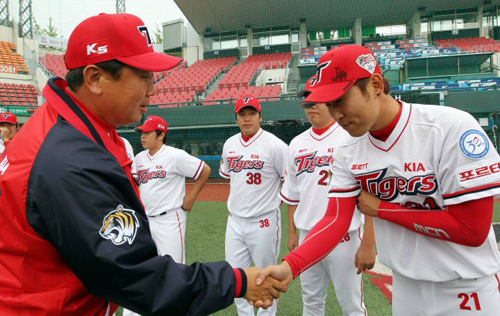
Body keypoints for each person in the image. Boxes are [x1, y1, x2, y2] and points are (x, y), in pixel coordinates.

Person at [0, 13, 286, 315]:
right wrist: (238, 281)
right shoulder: (68, 157)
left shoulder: (68, 129)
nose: (153, 89)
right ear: (95, 78)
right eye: (143, 75)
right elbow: (136, 277)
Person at [257, 44, 500, 316]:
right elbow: (335, 220)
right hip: (406, 285)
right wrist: (291, 266)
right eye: (329, 105)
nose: (336, 114)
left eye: (340, 100)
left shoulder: (448, 128)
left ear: (374, 85)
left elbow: (472, 230)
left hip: (466, 286)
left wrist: (383, 209)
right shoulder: (349, 149)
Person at [279, 75, 375, 316]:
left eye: (315, 101)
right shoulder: (296, 143)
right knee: (311, 302)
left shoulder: (352, 136)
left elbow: (370, 196)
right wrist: (293, 233)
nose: (310, 107)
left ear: (330, 101)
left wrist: (368, 242)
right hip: (308, 234)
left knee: (352, 305)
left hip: (346, 236)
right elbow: (293, 195)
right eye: (306, 102)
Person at [219, 94, 288, 316]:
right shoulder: (230, 144)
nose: (247, 118)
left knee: (266, 276)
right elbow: (229, 176)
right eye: (242, 114)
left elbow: (289, 180)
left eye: (252, 113)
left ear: (260, 116)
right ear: (236, 118)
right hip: (235, 221)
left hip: (264, 220)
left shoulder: (275, 146)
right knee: (237, 276)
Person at [134, 115, 211, 263]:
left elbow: (205, 170)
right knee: (150, 264)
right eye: (142, 133)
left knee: (175, 267)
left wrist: (191, 197)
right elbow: (136, 184)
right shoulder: (139, 158)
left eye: (148, 133)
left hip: (169, 219)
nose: (143, 137)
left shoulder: (175, 155)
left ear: (161, 135)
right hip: (146, 220)